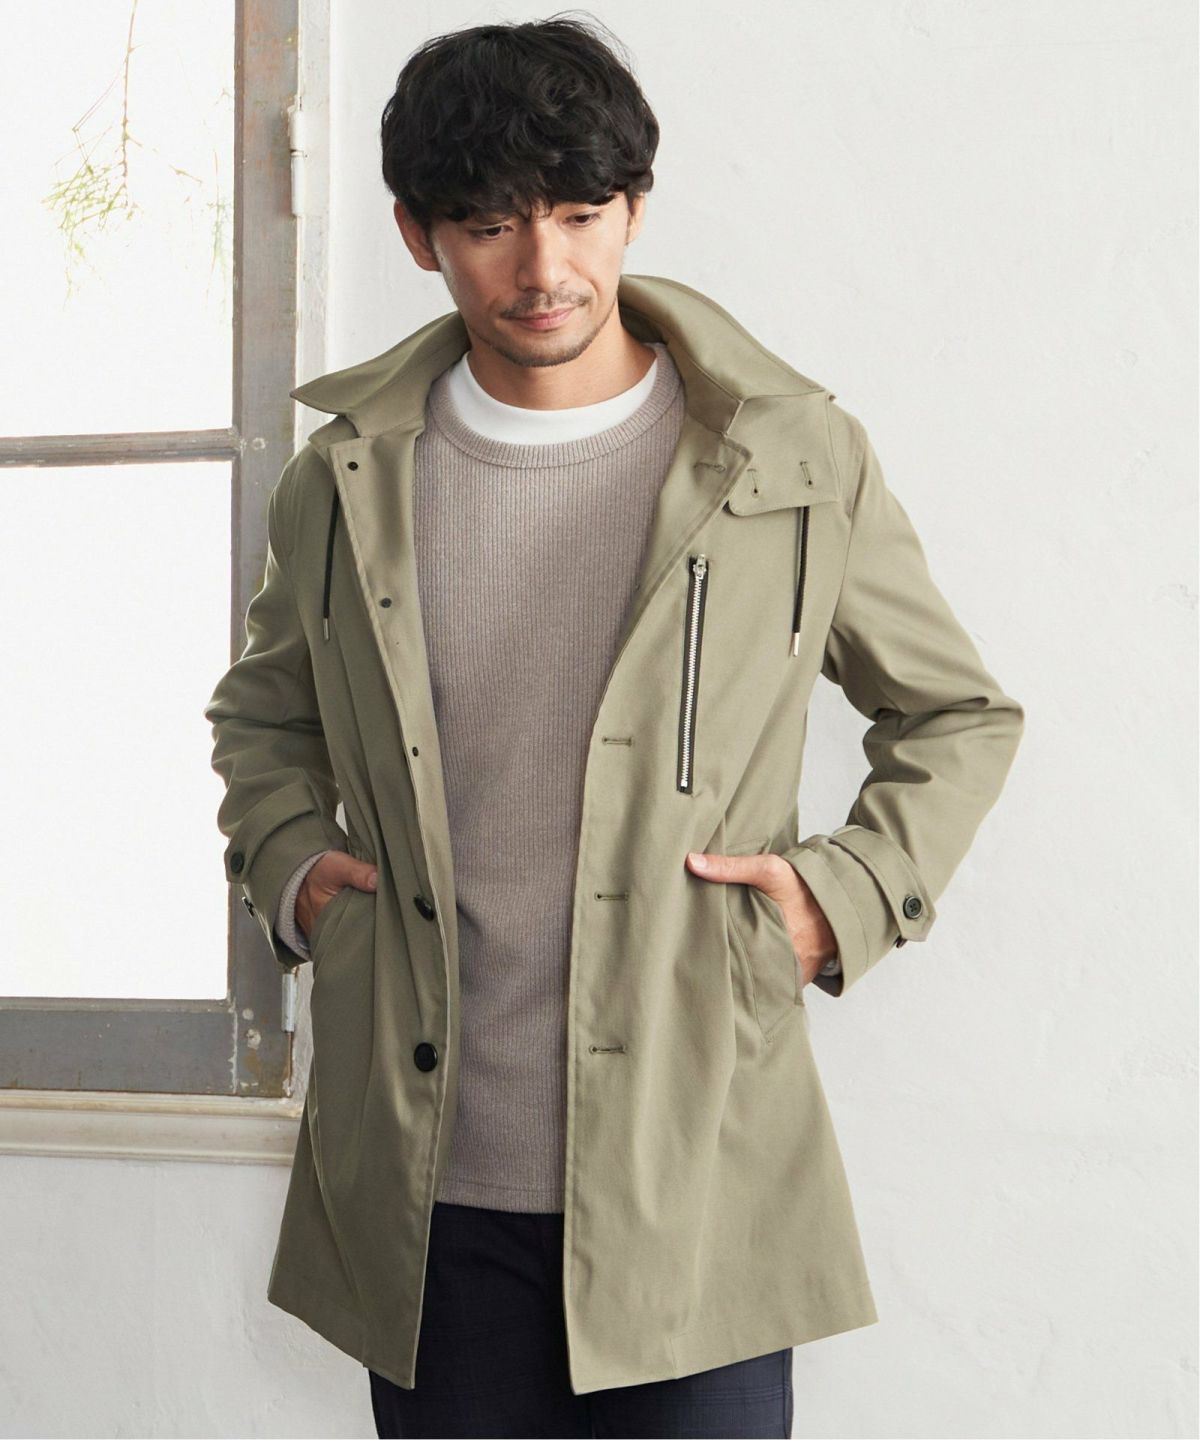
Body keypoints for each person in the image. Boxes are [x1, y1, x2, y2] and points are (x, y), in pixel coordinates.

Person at [205, 16, 1024, 1439]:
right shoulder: (342, 480)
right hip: (428, 1195)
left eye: (581, 215)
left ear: (634, 208)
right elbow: (262, 718)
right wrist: (294, 875)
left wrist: (838, 899)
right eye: (490, 226)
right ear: (417, 235)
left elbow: (956, 711)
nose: (545, 269)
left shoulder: (789, 457)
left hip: (698, 1183)